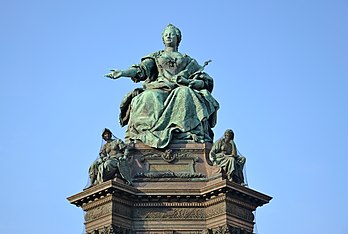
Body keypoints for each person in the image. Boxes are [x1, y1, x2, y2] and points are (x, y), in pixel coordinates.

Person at [105, 24, 219, 148]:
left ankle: (183, 131)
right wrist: (123, 73)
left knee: (185, 92)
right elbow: (141, 70)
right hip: (158, 88)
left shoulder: (188, 60)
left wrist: (193, 82)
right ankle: (147, 133)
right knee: (148, 96)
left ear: (178, 38)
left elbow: (204, 80)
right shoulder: (156, 56)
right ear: (163, 39)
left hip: (179, 88)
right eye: (166, 34)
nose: (169, 36)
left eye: (172, 34)